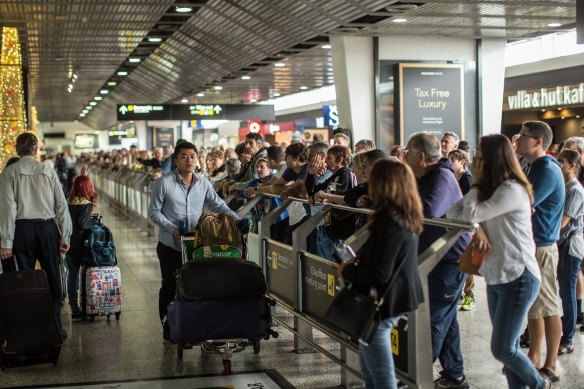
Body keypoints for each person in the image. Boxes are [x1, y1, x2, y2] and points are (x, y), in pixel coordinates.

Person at [447, 134, 549, 389]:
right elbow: (452, 212)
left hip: (519, 275)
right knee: (510, 347)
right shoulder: (490, 191)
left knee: (502, 348)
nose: (474, 160)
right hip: (496, 275)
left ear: (493, 158)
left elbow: (469, 213)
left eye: (480, 155)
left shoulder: (512, 189)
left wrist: (476, 192)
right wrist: (477, 226)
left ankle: (539, 384)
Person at [336, 158, 425, 389]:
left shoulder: (390, 220)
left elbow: (380, 273)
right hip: (395, 294)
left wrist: (349, 271)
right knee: (369, 364)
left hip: (387, 298)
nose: (368, 183)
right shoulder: (403, 214)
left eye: (372, 178)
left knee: (380, 373)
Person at [148, 141, 238, 341]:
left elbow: (218, 204)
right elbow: (153, 212)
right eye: (184, 156)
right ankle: (167, 323)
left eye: (193, 156)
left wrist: (237, 221)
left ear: (198, 159)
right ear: (176, 160)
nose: (189, 160)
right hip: (170, 246)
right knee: (170, 285)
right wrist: (172, 229)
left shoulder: (203, 182)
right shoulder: (163, 183)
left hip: (195, 245)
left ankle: (198, 322)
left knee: (199, 285)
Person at [404, 132, 471, 389]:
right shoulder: (426, 176)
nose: (405, 157)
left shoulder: (441, 176)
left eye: (408, 153)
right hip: (435, 259)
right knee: (447, 319)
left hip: (449, 260)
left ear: (421, 157)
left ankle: (413, 376)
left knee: (432, 320)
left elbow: (429, 211)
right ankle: (454, 374)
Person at [0, 133, 72, 338]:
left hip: (21, 231)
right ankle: (56, 328)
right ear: (35, 149)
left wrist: (6, 241)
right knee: (53, 278)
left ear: (16, 149)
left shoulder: (8, 173)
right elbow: (61, 205)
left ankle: (30, 331)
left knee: (25, 280)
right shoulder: (47, 171)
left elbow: (8, 209)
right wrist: (65, 236)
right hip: (48, 229)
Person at [516, 121, 564, 383]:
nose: (518, 140)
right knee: (535, 306)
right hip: (533, 245)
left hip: (543, 246)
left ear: (538, 142)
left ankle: (552, 364)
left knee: (548, 306)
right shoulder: (534, 166)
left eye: (523, 136)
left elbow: (524, 202)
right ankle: (534, 358)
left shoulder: (546, 168)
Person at [555, 149, 584, 355]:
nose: (559, 165)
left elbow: (564, 222)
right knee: (564, 293)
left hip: (570, 247)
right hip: (563, 245)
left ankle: (568, 340)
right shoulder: (566, 186)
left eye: (562, 162)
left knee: (568, 294)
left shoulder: (575, 189)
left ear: (572, 166)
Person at [305, 145, 356, 260]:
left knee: (333, 267)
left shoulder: (345, 173)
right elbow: (313, 192)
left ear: (340, 160)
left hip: (342, 231)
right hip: (330, 228)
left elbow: (326, 194)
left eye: (329, 158)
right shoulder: (334, 176)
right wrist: (311, 174)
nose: (326, 161)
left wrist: (316, 198)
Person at [66, 173, 99, 321]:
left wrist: (82, 175)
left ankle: (74, 308)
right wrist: (95, 221)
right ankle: (86, 305)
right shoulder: (85, 204)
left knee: (72, 276)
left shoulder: (69, 200)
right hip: (83, 246)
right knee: (85, 276)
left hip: (69, 243)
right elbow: (84, 224)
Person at [449, 149, 476, 312]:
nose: (449, 162)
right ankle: (460, 293)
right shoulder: (454, 178)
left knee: (467, 260)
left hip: (465, 226)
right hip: (456, 225)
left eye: (453, 159)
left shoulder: (467, 178)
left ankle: (469, 295)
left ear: (462, 162)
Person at [241, 157, 290, 243]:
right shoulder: (255, 182)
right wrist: (248, 191)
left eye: (261, 167)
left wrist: (257, 190)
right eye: (257, 167)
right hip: (263, 218)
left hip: (279, 218)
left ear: (270, 170)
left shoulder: (273, 178)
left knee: (278, 245)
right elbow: (242, 193)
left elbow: (272, 189)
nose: (258, 169)